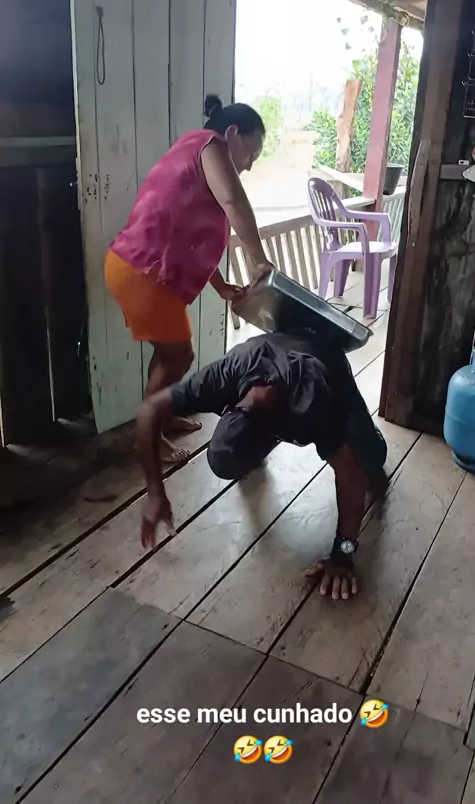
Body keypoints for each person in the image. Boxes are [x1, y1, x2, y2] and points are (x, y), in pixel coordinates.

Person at [136, 328, 388, 601]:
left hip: (329, 365)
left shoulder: (312, 398)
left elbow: (351, 475)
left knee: (373, 457)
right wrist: (155, 493)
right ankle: (252, 443)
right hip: (269, 351)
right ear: (229, 407)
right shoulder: (222, 377)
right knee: (222, 459)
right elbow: (149, 410)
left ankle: (368, 436)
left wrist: (343, 554)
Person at [105, 94, 271, 463]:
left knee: (169, 354)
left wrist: (220, 284)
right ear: (232, 133)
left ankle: (161, 419)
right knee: (180, 356)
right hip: (143, 271)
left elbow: (188, 238)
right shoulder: (211, 146)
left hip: (138, 268)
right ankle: (148, 438)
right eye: (251, 153)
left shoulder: (192, 148)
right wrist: (259, 261)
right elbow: (234, 201)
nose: (249, 165)